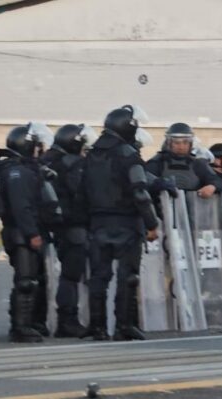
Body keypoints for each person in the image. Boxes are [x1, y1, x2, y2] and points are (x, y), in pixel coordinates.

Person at [82, 105, 160, 341]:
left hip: (98, 223)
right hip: (126, 222)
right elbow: (139, 192)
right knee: (128, 277)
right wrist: (151, 222)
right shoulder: (128, 154)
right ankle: (124, 325)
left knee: (98, 277)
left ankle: (97, 326)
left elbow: (82, 191)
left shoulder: (92, 154)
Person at [0, 122, 60, 343]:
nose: (39, 150)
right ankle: (21, 326)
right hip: (21, 233)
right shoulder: (17, 172)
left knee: (35, 279)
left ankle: (33, 323)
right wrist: (32, 233)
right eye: (36, 146)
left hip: (29, 231)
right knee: (25, 281)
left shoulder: (27, 169)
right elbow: (21, 206)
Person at [40, 123, 97, 339]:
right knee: (71, 275)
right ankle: (68, 319)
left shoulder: (47, 160)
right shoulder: (73, 164)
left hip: (52, 224)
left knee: (46, 274)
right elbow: (80, 191)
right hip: (73, 224)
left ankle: (41, 320)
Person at [145, 122, 222, 196]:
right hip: (163, 207)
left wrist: (212, 187)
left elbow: (218, 181)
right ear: (169, 143)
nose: (181, 147)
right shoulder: (157, 162)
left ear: (190, 143)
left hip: (193, 207)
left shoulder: (197, 163)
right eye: (177, 143)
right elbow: (145, 182)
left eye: (185, 142)